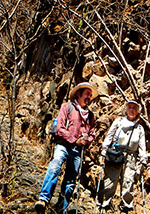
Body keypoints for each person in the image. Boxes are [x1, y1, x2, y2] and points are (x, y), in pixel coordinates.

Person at [35, 82, 96, 214]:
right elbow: (59, 128)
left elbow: (92, 133)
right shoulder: (67, 107)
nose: (89, 98)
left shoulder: (90, 115)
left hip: (77, 150)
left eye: (90, 96)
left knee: (71, 179)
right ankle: (43, 199)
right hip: (63, 145)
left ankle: (63, 208)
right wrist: (75, 140)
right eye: (87, 94)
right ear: (79, 94)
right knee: (55, 164)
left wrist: (87, 141)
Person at [98, 100, 147, 213]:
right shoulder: (118, 122)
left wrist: (143, 160)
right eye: (129, 107)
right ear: (126, 109)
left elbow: (142, 146)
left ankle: (125, 207)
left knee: (128, 182)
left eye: (134, 108)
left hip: (131, 157)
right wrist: (103, 152)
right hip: (115, 154)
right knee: (111, 180)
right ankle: (104, 205)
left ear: (138, 112)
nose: (132, 110)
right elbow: (109, 137)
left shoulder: (139, 128)